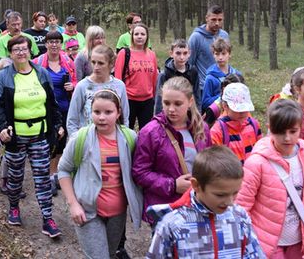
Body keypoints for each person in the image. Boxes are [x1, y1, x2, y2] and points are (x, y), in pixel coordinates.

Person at [236, 99, 304, 257]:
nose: (287, 138)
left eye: (292, 131)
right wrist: (246, 239)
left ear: (300, 128)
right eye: (280, 131)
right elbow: (242, 206)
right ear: (270, 129)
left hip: (300, 241)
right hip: (268, 243)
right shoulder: (257, 163)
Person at [0, 35, 64, 238]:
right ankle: (14, 207)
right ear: (10, 53)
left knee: (42, 178)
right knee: (15, 177)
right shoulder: (3, 76)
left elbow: (52, 102)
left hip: (40, 135)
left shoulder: (41, 73)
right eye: (17, 50)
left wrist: (57, 124)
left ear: (30, 51)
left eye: (24, 49)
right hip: (15, 136)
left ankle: (48, 218)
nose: (21, 53)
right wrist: (2, 128)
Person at [58, 90, 143, 259]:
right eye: (97, 112)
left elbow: (140, 171)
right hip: (87, 212)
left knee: (110, 254)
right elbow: (63, 170)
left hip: (118, 213)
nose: (101, 117)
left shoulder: (130, 138)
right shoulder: (80, 138)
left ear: (118, 113)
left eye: (108, 112)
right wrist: (73, 204)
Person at [147, 146, 265, 258]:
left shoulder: (240, 217)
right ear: (196, 185)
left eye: (235, 193)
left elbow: (254, 254)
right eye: (220, 195)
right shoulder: (172, 225)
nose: (230, 202)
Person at [132, 76, 211, 225]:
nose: (171, 109)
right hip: (165, 209)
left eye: (178, 104)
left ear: (190, 102)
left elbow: (209, 164)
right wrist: (172, 185)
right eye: (166, 103)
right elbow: (140, 172)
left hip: (196, 205)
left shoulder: (202, 129)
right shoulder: (150, 132)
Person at [32, 30, 77, 192]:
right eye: (51, 42)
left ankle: (55, 173)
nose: (54, 45)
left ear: (61, 44)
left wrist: (73, 85)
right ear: (46, 44)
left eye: (57, 42)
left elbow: (76, 80)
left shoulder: (68, 62)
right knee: (48, 142)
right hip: (45, 110)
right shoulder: (37, 62)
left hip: (65, 108)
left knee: (61, 142)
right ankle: (47, 176)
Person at [67, 45, 130, 136]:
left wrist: (123, 139)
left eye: (100, 63)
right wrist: (77, 142)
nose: (96, 67)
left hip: (112, 142)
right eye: (93, 62)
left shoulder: (119, 86)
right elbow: (72, 120)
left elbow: (125, 118)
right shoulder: (82, 86)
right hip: (87, 141)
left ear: (111, 64)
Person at [114, 23, 158, 130]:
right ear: (132, 36)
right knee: (126, 131)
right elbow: (118, 78)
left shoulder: (151, 54)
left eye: (142, 34)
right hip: (128, 99)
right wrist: (119, 99)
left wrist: (153, 96)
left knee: (146, 132)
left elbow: (154, 78)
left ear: (147, 37)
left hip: (147, 100)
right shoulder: (124, 53)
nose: (139, 36)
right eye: (136, 34)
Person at [210, 83, 262, 165]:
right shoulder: (217, 131)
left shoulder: (254, 125)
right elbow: (214, 161)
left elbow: (260, 152)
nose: (241, 112)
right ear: (225, 106)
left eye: (244, 108)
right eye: (237, 109)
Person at [188, 4, 229, 94]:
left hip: (222, 86)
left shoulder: (224, 35)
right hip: (203, 87)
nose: (217, 23)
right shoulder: (196, 37)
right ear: (207, 18)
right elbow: (189, 64)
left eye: (220, 20)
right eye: (213, 20)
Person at [154, 39, 199, 114]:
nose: (182, 57)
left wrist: (197, 114)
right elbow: (159, 100)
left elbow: (197, 96)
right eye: (178, 53)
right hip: (170, 113)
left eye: (185, 53)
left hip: (189, 114)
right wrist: (159, 119)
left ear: (189, 54)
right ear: (171, 54)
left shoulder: (193, 72)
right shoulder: (164, 74)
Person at [201, 38, 242, 111]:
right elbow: (205, 103)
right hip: (217, 117)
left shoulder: (237, 75)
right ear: (213, 55)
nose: (220, 57)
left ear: (229, 54)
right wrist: (222, 96)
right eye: (217, 54)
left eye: (223, 54)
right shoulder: (210, 78)